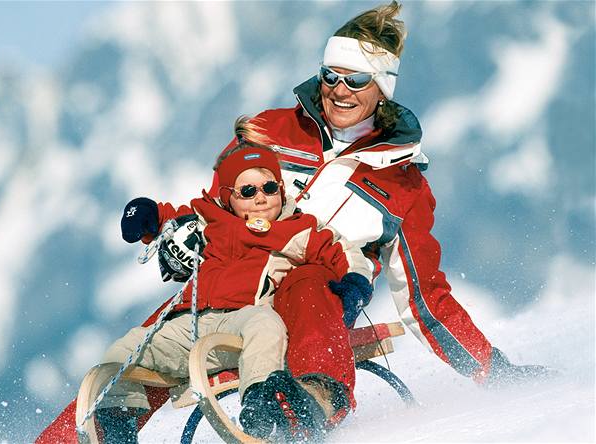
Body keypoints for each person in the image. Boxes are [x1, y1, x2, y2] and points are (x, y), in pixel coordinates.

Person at [205, 0, 552, 428]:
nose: (339, 89)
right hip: (236, 283)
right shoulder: (271, 130)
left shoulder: (402, 185)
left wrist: (493, 370)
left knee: (310, 279)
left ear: (382, 87)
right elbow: (215, 200)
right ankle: (111, 419)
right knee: (172, 317)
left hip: (320, 300)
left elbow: (424, 299)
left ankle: (313, 402)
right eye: (331, 75)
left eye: (357, 79)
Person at [94, 117, 373, 443]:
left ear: (281, 190)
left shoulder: (293, 228)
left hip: (243, 320)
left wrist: (354, 281)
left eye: (269, 188)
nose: (261, 198)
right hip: (191, 324)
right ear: (227, 198)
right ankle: (118, 421)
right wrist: (150, 216)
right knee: (124, 349)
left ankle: (261, 400)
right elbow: (177, 219)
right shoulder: (211, 221)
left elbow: (339, 247)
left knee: (266, 326)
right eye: (248, 191)